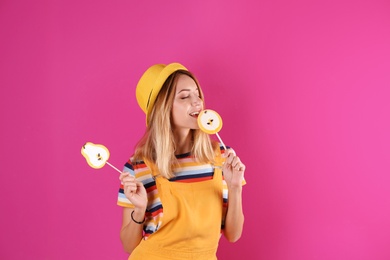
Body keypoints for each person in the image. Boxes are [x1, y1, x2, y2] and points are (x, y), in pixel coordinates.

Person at [118, 62, 246, 260]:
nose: (197, 102)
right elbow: (129, 246)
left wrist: (235, 186)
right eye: (185, 96)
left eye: (198, 94)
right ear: (163, 108)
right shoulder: (138, 167)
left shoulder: (222, 158)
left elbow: (233, 234)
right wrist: (140, 209)